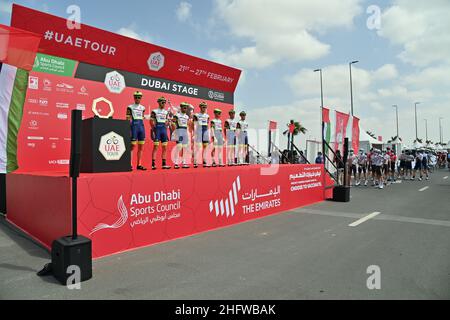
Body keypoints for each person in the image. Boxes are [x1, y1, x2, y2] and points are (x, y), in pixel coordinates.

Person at [126, 91, 147, 171]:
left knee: (141, 147)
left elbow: (142, 117)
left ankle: (139, 164)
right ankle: (130, 164)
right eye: (136, 97)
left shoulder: (143, 108)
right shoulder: (130, 107)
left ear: (141, 98)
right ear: (134, 98)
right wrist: (128, 128)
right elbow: (127, 118)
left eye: (139, 97)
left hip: (141, 127)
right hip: (134, 126)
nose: (137, 99)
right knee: (132, 146)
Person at [150, 96, 171, 170]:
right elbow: (151, 121)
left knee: (164, 147)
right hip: (157, 129)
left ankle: (164, 164)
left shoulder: (166, 112)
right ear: (159, 103)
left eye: (164, 102)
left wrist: (167, 124)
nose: (164, 104)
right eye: (162, 102)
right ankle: (153, 164)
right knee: (155, 147)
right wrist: (154, 129)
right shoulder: (154, 111)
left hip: (163, 130)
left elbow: (167, 121)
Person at [172, 102, 191, 169]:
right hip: (179, 131)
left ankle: (184, 162)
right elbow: (173, 123)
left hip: (185, 132)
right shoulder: (177, 115)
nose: (185, 108)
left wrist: (188, 133)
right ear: (181, 107)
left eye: (186, 107)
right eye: (184, 107)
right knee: (179, 147)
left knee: (185, 148)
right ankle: (176, 163)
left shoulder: (187, 116)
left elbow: (187, 125)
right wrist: (175, 132)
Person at [193, 102, 210, 168]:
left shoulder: (207, 116)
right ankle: (195, 161)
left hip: (205, 131)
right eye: (203, 107)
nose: (204, 108)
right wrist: (195, 133)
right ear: (200, 107)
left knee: (205, 147)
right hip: (199, 130)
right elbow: (194, 125)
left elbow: (208, 125)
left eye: (205, 107)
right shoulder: (196, 115)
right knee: (199, 147)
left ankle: (204, 160)